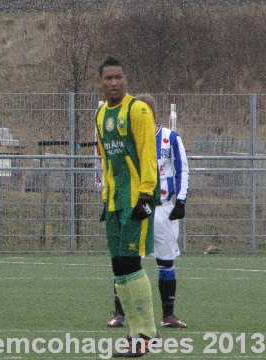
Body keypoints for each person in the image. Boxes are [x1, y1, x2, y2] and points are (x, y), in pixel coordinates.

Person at [95, 57, 161, 357]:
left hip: (137, 198)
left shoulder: (138, 110)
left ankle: (146, 334)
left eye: (118, 77)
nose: (114, 83)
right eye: (108, 78)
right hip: (114, 201)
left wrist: (147, 194)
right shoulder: (100, 115)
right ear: (100, 82)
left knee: (131, 263)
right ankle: (134, 334)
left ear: (126, 79)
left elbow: (149, 152)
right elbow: (107, 161)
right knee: (118, 267)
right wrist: (106, 197)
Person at [107, 93, 189, 329]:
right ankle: (120, 313)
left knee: (166, 260)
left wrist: (181, 201)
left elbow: (183, 170)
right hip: (135, 208)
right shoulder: (127, 140)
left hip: (163, 208)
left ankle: (168, 314)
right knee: (127, 260)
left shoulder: (170, 138)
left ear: (150, 114)